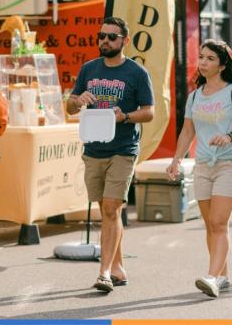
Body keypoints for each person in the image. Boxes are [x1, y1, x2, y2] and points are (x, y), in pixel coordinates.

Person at [66, 16, 154, 293]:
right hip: (94, 148)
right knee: (108, 212)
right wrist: (78, 100)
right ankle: (118, 267)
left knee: (111, 207)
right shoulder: (88, 69)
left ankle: (103, 272)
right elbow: (69, 105)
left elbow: (149, 112)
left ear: (124, 41)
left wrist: (125, 116)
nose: (104, 41)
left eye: (111, 37)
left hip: (123, 149)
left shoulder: (136, 73)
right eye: (101, 36)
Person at [166, 39, 232, 298]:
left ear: (221, 65)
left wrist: (229, 136)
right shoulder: (195, 95)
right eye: (201, 57)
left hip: (229, 164)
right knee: (210, 226)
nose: (203, 62)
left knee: (219, 223)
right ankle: (223, 275)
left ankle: (212, 278)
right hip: (202, 166)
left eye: (209, 59)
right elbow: (187, 131)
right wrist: (176, 159)